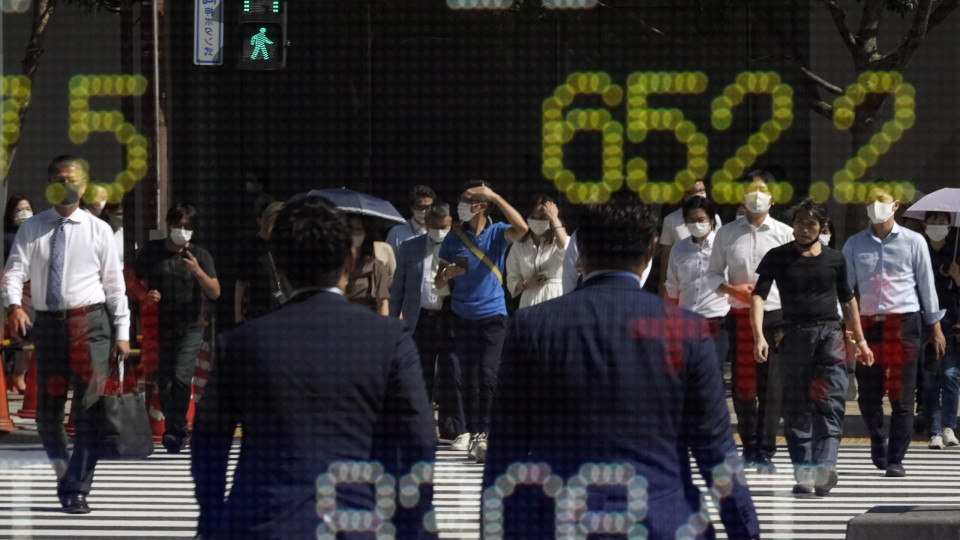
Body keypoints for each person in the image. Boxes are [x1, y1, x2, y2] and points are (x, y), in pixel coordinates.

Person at [482, 194, 760, 540]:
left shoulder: (532, 326)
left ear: (580, 252)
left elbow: (506, 447)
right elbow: (716, 450)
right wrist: (746, 531)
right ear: (650, 250)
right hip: (664, 522)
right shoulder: (686, 331)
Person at [191, 195, 437, 539]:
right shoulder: (388, 340)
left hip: (262, 521)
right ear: (350, 259)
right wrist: (414, 526)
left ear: (278, 264)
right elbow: (419, 439)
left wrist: (212, 520)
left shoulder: (242, 343)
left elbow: (208, 441)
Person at [2, 155, 130, 514]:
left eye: (73, 179)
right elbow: (14, 272)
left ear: (84, 185)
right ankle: (64, 474)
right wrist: (14, 306)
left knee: (89, 409)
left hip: (90, 326)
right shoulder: (33, 228)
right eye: (60, 179)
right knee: (47, 414)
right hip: (49, 327)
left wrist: (122, 332)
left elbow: (114, 286)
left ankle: (78, 487)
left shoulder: (98, 230)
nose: (67, 185)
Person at [751, 198, 873, 496]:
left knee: (830, 402)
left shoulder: (835, 259)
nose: (804, 229)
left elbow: (848, 301)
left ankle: (825, 468)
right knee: (796, 407)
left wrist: (860, 341)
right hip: (794, 336)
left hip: (831, 335)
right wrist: (758, 336)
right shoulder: (778, 256)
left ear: (822, 227)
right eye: (799, 223)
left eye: (811, 224)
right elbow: (758, 296)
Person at [842, 186, 945, 477]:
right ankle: (877, 439)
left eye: (881, 201)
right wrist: (845, 326)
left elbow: (926, 285)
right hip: (868, 324)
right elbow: (844, 288)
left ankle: (896, 457)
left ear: (896, 205)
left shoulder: (914, 241)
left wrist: (935, 326)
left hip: (905, 323)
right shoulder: (854, 244)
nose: (875, 206)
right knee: (868, 393)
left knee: (902, 395)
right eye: (870, 201)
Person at [706, 170, 793, 472]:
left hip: (775, 315)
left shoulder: (785, 233)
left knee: (771, 385)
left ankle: (766, 450)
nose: (756, 196)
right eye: (750, 190)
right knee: (743, 385)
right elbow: (712, 273)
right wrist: (731, 289)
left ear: (773, 197)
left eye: (762, 191)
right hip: (740, 315)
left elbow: (793, 277)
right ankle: (749, 445)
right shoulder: (727, 233)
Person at [435, 180, 528, 461]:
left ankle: (485, 433)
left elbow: (522, 228)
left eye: (468, 200)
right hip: (461, 314)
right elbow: (438, 280)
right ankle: (467, 430)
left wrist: (495, 195)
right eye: (460, 200)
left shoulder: (497, 233)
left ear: (481, 205)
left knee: (488, 375)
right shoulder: (453, 237)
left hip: (493, 315)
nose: (461, 206)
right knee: (464, 375)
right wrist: (446, 275)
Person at [134, 203, 220, 453]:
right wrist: (145, 296)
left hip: (190, 325)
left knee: (181, 376)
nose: (183, 231)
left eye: (188, 227)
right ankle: (174, 429)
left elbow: (215, 292)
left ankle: (176, 429)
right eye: (179, 225)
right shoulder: (152, 251)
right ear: (169, 225)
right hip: (160, 324)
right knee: (165, 379)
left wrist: (197, 271)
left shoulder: (200, 255)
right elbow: (130, 281)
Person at [389, 203, 457, 424]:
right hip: (420, 318)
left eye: (444, 227)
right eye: (435, 227)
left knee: (449, 371)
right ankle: (421, 420)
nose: (439, 231)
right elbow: (398, 289)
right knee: (421, 372)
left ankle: (448, 423)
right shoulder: (410, 248)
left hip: (448, 316)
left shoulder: (457, 247)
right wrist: (393, 322)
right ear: (426, 225)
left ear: (451, 224)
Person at [665, 196, 731, 367]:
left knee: (713, 371)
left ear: (711, 220)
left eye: (701, 219)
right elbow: (672, 287)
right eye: (691, 220)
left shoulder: (725, 247)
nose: (696, 224)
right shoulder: (678, 250)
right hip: (686, 323)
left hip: (716, 322)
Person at [919, 211, 960, 450]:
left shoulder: (955, 252)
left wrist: (957, 276)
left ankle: (948, 427)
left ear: (949, 226)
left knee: (950, 376)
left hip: (951, 323)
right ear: (925, 224)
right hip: (925, 322)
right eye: (932, 221)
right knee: (931, 378)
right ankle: (934, 431)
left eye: (941, 222)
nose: (936, 226)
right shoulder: (919, 249)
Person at [657, 178, 723, 297]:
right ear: (685, 195)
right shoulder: (671, 221)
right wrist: (663, 283)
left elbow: (720, 248)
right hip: (683, 278)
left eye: (703, 190)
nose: (701, 194)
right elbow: (666, 256)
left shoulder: (714, 218)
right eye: (697, 191)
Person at [505, 194, 569, 309]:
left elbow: (566, 250)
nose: (538, 221)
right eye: (533, 217)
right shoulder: (519, 245)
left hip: (556, 298)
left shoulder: (559, 240)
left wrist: (554, 218)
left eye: (543, 217)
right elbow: (512, 279)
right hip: (530, 302)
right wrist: (526, 284)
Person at [3, 194, 34, 393]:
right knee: (18, 335)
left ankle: (18, 377)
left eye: (27, 209)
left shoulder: (36, 234)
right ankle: (14, 377)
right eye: (19, 210)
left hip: (30, 292)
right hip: (11, 293)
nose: (24, 213)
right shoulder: (6, 237)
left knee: (25, 336)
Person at [234, 201, 284, 323]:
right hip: (259, 311)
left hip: (284, 310)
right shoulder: (251, 246)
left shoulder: (286, 244)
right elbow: (241, 282)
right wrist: (238, 314)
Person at [345, 214, 391, 315]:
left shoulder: (376, 265)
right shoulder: (337, 264)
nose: (353, 233)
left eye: (358, 229)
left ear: (366, 233)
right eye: (350, 228)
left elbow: (383, 303)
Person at [385, 185, 436, 255]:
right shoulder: (396, 233)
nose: (424, 211)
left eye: (428, 207)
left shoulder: (439, 232)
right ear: (411, 207)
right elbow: (388, 259)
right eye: (420, 207)